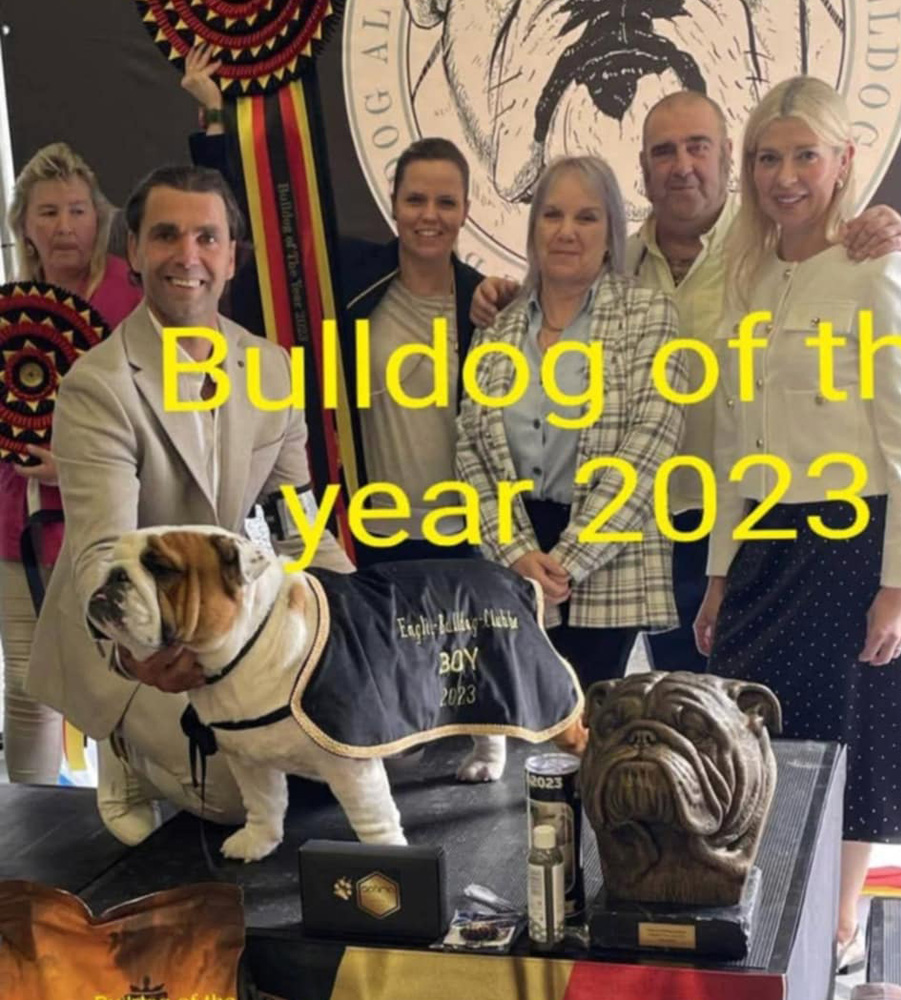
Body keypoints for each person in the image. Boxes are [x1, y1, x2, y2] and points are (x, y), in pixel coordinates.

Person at [471, 89, 901, 676]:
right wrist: (503, 296)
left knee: (716, 706)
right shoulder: (614, 265)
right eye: (663, 152)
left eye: (698, 147)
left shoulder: (765, 256)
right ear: (643, 170)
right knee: (592, 702)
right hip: (617, 532)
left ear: (726, 157)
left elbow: (896, 317)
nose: (682, 165)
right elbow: (549, 315)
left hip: (729, 525)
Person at [25, 164, 353, 844]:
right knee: (238, 789)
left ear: (232, 256)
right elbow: (100, 554)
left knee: (349, 743)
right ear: (135, 250)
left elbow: (298, 524)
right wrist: (133, 657)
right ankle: (125, 749)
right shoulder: (96, 387)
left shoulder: (272, 368)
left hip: (213, 616)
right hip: (126, 634)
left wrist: (359, 624)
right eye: (166, 235)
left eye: (207, 237)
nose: (188, 255)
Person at [693, 76, 901, 975]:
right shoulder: (750, 275)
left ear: (843, 162)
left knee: (849, 736)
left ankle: (837, 934)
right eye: (768, 158)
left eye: (805, 156)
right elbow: (733, 442)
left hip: (850, 545)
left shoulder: (882, 269)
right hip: (761, 543)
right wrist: (719, 574)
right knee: (754, 742)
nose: (785, 176)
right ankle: (768, 923)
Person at [182, 44, 484, 564]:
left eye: (446, 202)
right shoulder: (348, 275)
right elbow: (249, 224)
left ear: (466, 211)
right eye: (415, 199)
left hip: (463, 543)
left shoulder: (484, 302)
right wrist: (214, 118)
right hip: (365, 535)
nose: (429, 215)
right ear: (393, 204)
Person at [456, 155, 687, 690]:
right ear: (534, 228)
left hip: (605, 560)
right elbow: (470, 453)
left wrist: (568, 562)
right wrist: (516, 553)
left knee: (590, 722)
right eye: (552, 215)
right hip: (511, 555)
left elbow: (650, 449)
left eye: (586, 217)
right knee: (515, 721)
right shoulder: (496, 327)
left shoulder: (650, 315)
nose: (566, 231)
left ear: (610, 234)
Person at [2, 142, 142, 783]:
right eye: (48, 212)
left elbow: (161, 415)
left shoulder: (134, 298)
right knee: (27, 686)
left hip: (113, 518)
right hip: (17, 523)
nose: (64, 227)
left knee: (125, 677)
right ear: (25, 226)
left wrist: (75, 466)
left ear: (100, 219)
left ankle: (134, 808)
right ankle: (25, 827)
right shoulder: (10, 309)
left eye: (78, 211)